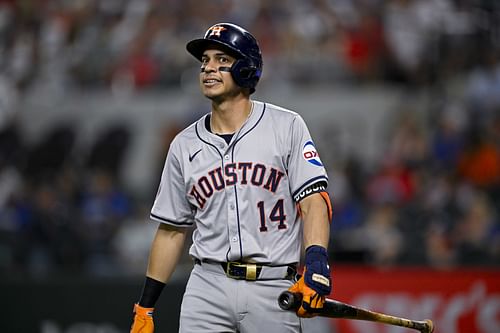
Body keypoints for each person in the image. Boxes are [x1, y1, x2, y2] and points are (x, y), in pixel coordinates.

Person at [130, 22, 333, 333]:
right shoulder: (184, 144)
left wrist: (317, 261)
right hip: (207, 285)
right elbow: (171, 230)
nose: (209, 68)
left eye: (222, 60)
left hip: (273, 285)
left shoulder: (286, 126)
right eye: (205, 61)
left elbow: (313, 201)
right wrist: (146, 305)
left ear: (247, 69)